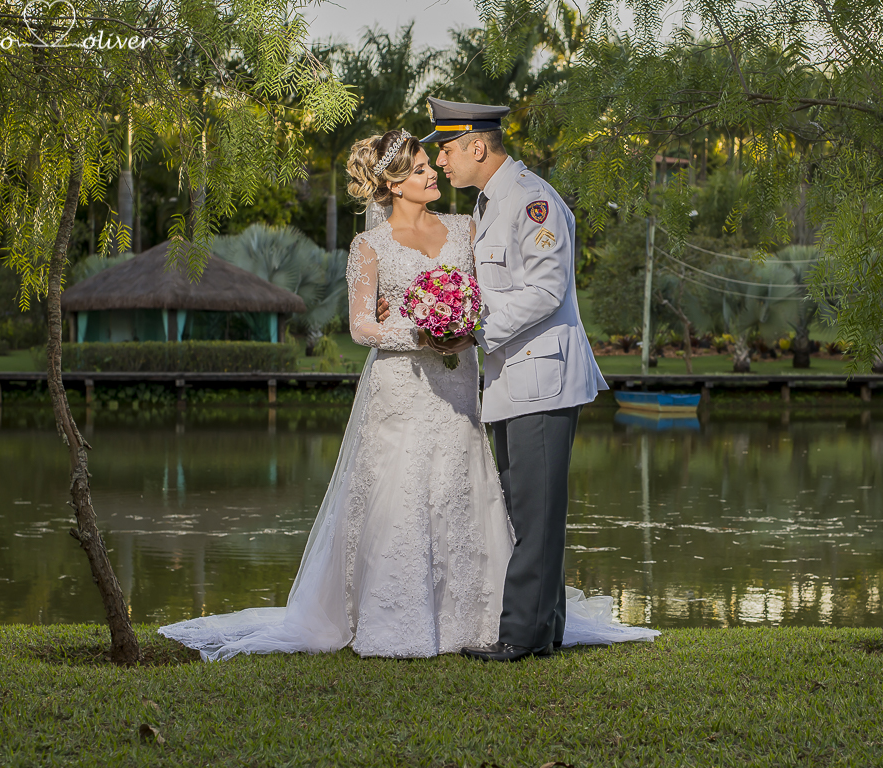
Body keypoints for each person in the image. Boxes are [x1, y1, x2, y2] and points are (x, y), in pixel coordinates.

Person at [159, 128, 655, 660]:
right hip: (400, 385)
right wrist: (420, 333)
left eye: (434, 161)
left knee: (471, 493)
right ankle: (406, 616)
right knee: (402, 496)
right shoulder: (369, 245)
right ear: (393, 185)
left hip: (462, 383)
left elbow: (507, 286)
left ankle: (494, 620)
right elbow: (360, 327)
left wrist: (462, 327)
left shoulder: (468, 228)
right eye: (421, 168)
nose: (433, 171)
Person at [422, 98, 612, 662]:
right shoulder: (492, 201)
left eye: (448, 149)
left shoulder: (531, 201)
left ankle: (519, 637)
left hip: (542, 380)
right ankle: (545, 629)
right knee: (531, 510)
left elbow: (545, 290)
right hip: (514, 379)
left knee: (535, 513)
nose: (443, 163)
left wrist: (471, 326)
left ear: (477, 146)